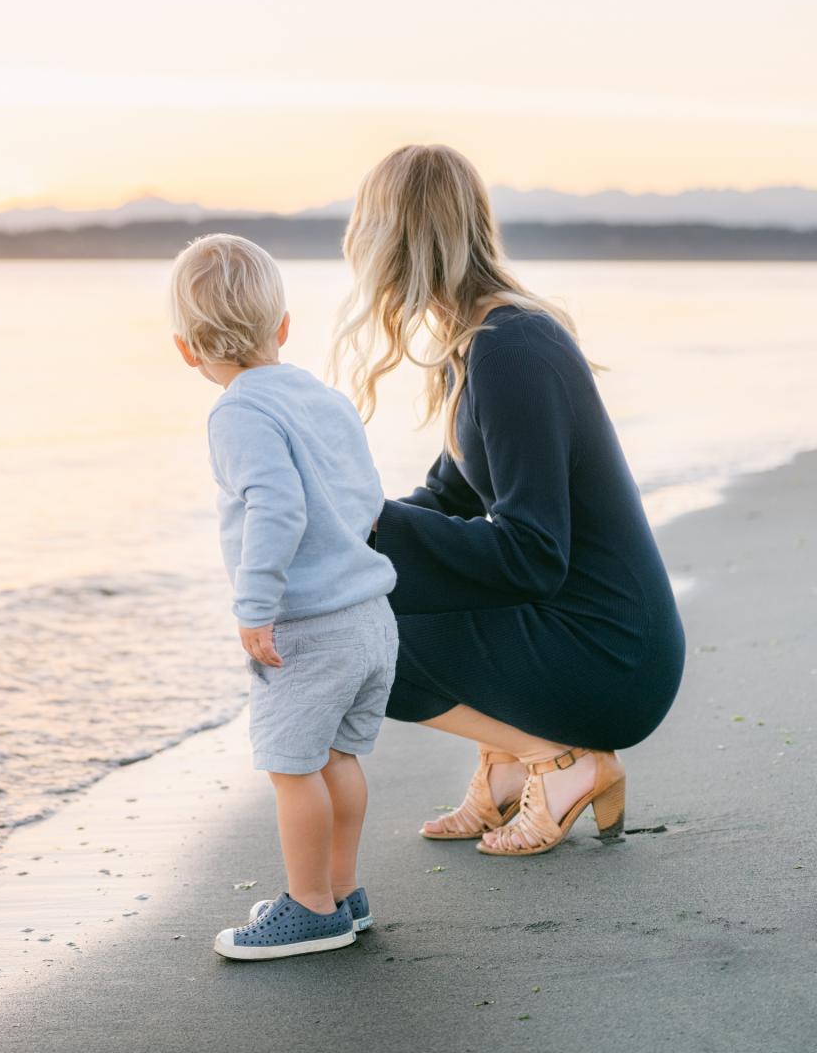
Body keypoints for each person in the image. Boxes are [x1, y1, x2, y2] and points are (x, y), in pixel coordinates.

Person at [332, 144, 686, 856]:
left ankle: (561, 761)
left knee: (358, 638)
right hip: (589, 632)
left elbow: (533, 555)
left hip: (614, 655)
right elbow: (446, 497)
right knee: (357, 596)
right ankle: (502, 770)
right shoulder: (483, 343)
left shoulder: (513, 346)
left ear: (398, 240)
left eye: (367, 227)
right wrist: (346, 536)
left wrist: (373, 527)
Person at [171, 233, 398, 958]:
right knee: (337, 757)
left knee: (291, 766)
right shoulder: (324, 398)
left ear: (185, 349)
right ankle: (341, 892)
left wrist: (255, 606)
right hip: (369, 616)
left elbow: (275, 508)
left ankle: (309, 908)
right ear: (284, 327)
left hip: (308, 630)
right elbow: (366, 494)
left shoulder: (238, 413)